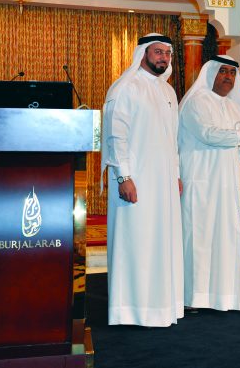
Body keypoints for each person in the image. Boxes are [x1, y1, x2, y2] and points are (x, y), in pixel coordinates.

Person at [101, 33, 183, 326]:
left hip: (164, 183)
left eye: (167, 53)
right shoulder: (126, 87)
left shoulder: (168, 91)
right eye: (158, 52)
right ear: (144, 53)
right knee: (135, 242)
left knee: (160, 242)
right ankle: (131, 310)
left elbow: (172, 140)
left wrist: (175, 175)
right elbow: (116, 136)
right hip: (135, 181)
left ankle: (161, 307)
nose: (164, 58)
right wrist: (123, 176)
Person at [178, 55, 240, 312]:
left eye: (231, 72)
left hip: (227, 185)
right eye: (223, 71)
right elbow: (208, 135)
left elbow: (236, 148)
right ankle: (193, 298)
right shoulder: (196, 101)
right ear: (210, 74)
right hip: (200, 182)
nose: (228, 77)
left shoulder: (232, 107)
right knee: (198, 238)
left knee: (225, 237)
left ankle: (222, 297)